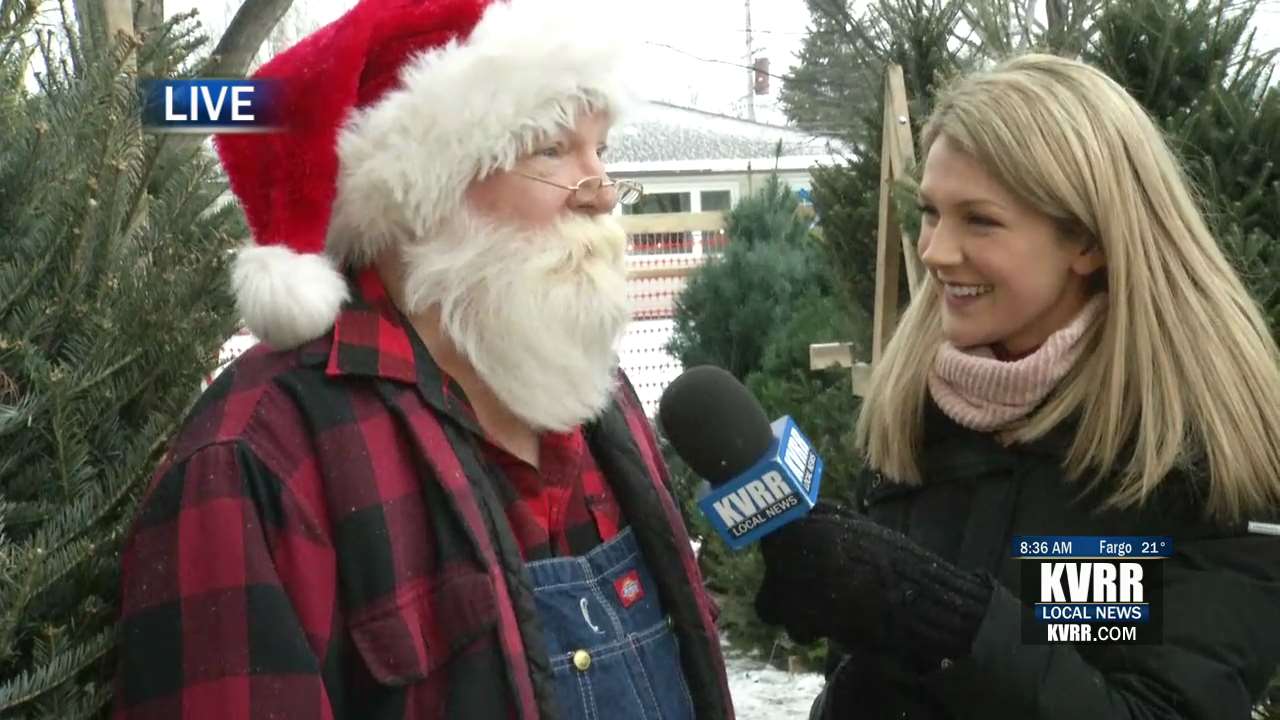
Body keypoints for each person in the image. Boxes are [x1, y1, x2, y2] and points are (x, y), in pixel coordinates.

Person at [111, 1, 733, 718]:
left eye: (602, 149)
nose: (601, 191)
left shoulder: (597, 390)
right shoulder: (257, 459)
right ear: (419, 196)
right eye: (550, 149)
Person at [753, 53, 1280, 719]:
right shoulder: (917, 417)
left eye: (980, 220)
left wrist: (943, 621)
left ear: (1087, 240)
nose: (934, 251)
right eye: (931, 212)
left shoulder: (1199, 459)